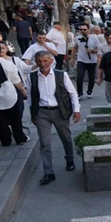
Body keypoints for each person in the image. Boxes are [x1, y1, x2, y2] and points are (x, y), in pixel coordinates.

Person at [28, 50, 81, 185]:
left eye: (45, 61)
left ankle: (69, 159)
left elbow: (72, 93)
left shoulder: (61, 75)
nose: (43, 64)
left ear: (51, 61)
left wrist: (76, 110)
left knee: (66, 137)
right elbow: (30, 96)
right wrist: (32, 113)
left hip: (59, 111)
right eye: (39, 61)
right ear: (36, 62)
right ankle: (48, 172)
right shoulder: (32, 76)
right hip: (41, 113)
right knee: (45, 142)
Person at [73, 25, 100, 99]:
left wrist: (91, 51)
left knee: (91, 78)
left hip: (92, 61)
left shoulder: (94, 38)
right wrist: (72, 58)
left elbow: (98, 49)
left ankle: (89, 91)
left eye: (84, 30)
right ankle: (79, 93)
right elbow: (75, 47)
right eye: (81, 29)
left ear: (88, 30)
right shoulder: (77, 38)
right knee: (79, 77)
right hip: (81, 60)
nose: (82, 31)